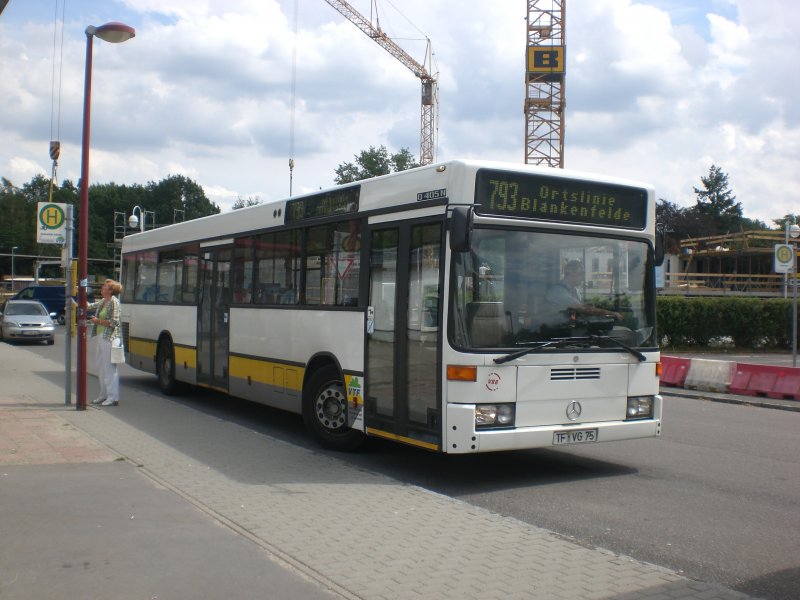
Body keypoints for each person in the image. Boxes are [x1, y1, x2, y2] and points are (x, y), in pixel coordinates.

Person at [545, 260, 622, 321]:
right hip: (554, 331)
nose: (582, 277)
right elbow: (582, 309)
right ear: (569, 273)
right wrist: (610, 313)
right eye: (581, 273)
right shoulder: (557, 291)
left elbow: (581, 311)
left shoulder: (575, 291)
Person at [88, 279, 123, 407]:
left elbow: (114, 322)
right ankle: (103, 395)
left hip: (110, 338)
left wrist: (98, 321)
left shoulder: (114, 302)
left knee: (109, 368)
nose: (102, 287)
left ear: (110, 291)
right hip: (100, 336)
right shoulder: (103, 301)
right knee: (101, 367)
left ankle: (113, 397)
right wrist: (74, 302)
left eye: (105, 286)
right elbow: (88, 306)